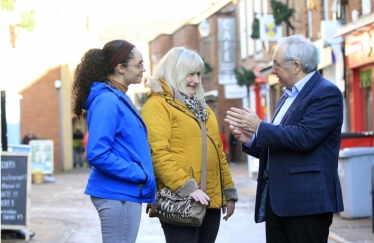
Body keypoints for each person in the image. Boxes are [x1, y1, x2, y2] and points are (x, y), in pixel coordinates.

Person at [224, 34, 344, 243]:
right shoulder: (286, 97)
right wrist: (251, 139)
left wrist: (260, 127)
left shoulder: (326, 93)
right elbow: (278, 145)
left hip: (307, 204)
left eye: (276, 64)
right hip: (278, 203)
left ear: (296, 66)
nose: (272, 70)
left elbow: (305, 138)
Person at [141, 46, 238, 243]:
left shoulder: (202, 107)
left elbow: (218, 153)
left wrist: (228, 191)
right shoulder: (158, 105)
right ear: (174, 72)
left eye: (198, 74)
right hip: (181, 199)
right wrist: (187, 187)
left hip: (209, 200)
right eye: (189, 74)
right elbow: (156, 152)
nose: (195, 80)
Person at [71, 39, 156, 243]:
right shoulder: (108, 101)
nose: (143, 69)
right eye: (139, 64)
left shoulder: (117, 97)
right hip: (119, 194)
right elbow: (97, 153)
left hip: (123, 193)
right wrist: (140, 174)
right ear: (120, 67)